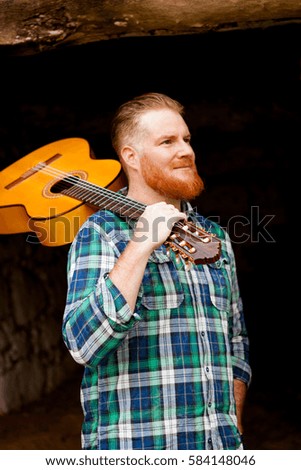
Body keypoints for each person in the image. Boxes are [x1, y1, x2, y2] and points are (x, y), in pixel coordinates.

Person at [62, 92, 251, 450]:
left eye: (187, 139)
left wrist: (234, 427)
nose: (186, 151)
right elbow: (83, 346)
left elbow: (236, 341)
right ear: (131, 157)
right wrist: (141, 244)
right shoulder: (102, 233)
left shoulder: (217, 239)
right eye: (167, 141)